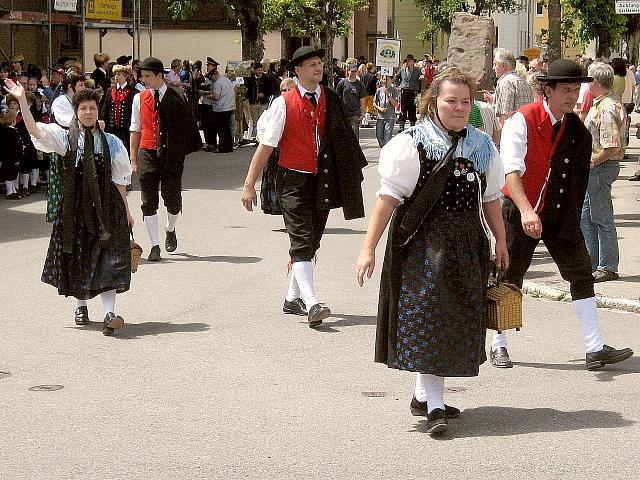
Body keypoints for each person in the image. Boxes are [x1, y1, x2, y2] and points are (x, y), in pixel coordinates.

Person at [356, 67, 508, 435]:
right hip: (423, 242)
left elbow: (489, 199)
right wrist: (367, 249)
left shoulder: (482, 145)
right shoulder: (413, 143)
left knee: (455, 317)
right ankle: (436, 407)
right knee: (432, 318)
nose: (458, 108)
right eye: (450, 100)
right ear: (433, 102)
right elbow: (388, 199)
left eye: (464, 102)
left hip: (466, 241)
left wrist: (500, 239)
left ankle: (424, 396)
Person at [490, 59, 633, 370]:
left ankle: (595, 347)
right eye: (566, 90)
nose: (573, 96)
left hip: (558, 214)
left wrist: (573, 223)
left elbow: (579, 179)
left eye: (576, 90)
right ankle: (498, 343)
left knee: (581, 274)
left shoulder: (577, 131)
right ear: (549, 90)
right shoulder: (522, 120)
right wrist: (527, 211)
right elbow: (510, 172)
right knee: (510, 276)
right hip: (520, 209)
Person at [241, 46, 367, 328]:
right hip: (292, 181)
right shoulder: (283, 104)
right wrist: (250, 183)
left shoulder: (330, 98)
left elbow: (343, 139)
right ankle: (312, 303)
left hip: (321, 179)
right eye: (311, 64)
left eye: (319, 63)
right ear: (297, 70)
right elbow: (266, 147)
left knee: (312, 241)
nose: (318, 68)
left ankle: (292, 299)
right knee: (300, 239)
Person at [5, 79, 134, 335]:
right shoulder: (64, 138)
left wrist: (127, 212)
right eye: (83, 108)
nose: (88, 112)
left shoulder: (112, 142)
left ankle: (109, 313)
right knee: (78, 255)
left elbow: (120, 180)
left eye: (92, 108)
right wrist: (22, 101)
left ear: (98, 111)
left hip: (107, 206)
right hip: (75, 207)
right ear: (76, 112)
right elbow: (36, 132)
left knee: (109, 258)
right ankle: (81, 305)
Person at [129, 57, 201, 261]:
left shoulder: (177, 97)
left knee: (173, 201)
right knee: (148, 201)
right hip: (147, 152)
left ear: (160, 75)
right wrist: (133, 159)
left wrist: (180, 154)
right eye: (142, 76)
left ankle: (170, 228)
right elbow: (135, 129)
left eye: (148, 76)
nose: (144, 80)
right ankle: (155, 245)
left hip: (171, 155)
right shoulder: (139, 98)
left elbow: (187, 129)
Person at [581, 62, 626, 283]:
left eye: (589, 80)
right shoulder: (606, 103)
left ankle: (608, 265)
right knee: (587, 217)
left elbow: (612, 146)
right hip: (599, 167)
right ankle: (592, 262)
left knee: (600, 217)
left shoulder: (606, 107)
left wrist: (592, 162)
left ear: (595, 83)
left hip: (601, 167)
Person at [485, 48, 534, 126]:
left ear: (503, 65)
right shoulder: (524, 82)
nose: (493, 68)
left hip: (512, 132)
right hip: (526, 130)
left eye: (495, 64)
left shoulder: (505, 82)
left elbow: (504, 116)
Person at [100, 64, 138, 153]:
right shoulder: (110, 90)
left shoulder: (133, 92)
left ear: (125, 76)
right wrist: (103, 121)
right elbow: (105, 108)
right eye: (115, 74)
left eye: (119, 74)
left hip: (126, 130)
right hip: (111, 128)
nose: (116, 76)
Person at [336, 63, 367, 140]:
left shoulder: (360, 85)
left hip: (355, 113)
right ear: (348, 71)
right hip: (344, 113)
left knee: (354, 135)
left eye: (355, 71)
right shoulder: (342, 83)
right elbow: (337, 96)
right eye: (352, 71)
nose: (353, 73)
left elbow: (362, 98)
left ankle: (354, 151)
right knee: (344, 135)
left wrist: (363, 112)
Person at [209, 68, 235, 153]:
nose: (211, 79)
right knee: (226, 129)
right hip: (229, 107)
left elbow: (216, 97)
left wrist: (210, 96)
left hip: (220, 109)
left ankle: (222, 147)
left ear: (215, 74)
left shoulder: (217, 83)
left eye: (211, 77)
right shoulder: (226, 80)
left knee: (221, 130)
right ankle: (229, 147)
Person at [394, 54, 422, 131]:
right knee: (403, 109)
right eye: (406, 61)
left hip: (413, 92)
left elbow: (422, 79)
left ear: (413, 61)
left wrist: (421, 79)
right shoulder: (402, 69)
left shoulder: (417, 70)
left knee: (412, 109)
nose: (407, 62)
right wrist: (397, 86)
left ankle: (412, 125)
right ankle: (401, 125)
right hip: (404, 91)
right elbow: (396, 77)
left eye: (409, 60)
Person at [373, 75, 398, 147]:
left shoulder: (394, 90)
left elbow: (395, 104)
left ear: (391, 80)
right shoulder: (379, 90)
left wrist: (388, 95)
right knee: (379, 135)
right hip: (380, 117)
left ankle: (386, 151)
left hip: (390, 117)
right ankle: (384, 148)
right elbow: (374, 102)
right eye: (384, 79)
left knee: (387, 137)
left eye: (387, 79)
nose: (385, 81)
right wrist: (379, 108)